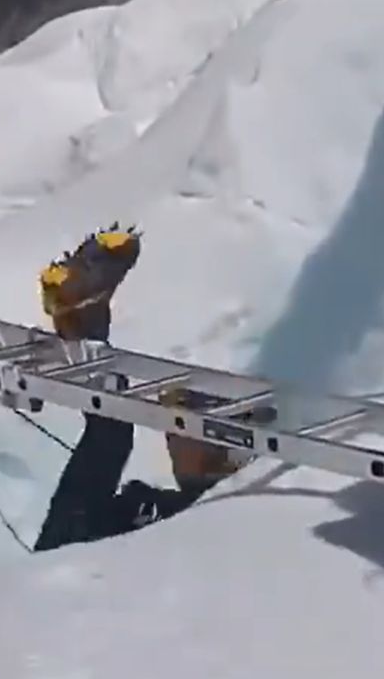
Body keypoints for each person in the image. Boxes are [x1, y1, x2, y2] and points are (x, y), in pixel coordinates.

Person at [32, 225, 242, 552]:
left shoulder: (226, 516)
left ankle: (82, 323)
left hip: (83, 575)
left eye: (181, 423)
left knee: (111, 436)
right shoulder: (174, 508)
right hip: (80, 569)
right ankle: (82, 321)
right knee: (113, 431)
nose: (170, 435)